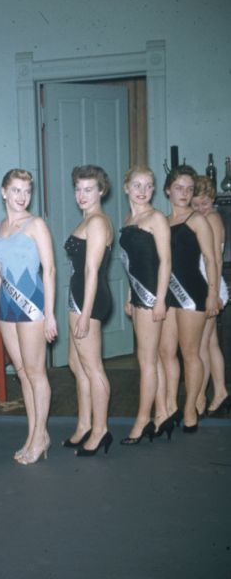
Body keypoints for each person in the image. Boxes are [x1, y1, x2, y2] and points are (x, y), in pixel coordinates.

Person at [0, 169, 57, 464]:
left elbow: (50, 270)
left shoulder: (36, 224)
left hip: (32, 305)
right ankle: (34, 433)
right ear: (4, 192)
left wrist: (50, 314)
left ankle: (40, 436)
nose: (22, 197)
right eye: (16, 190)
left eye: (27, 191)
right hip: (7, 307)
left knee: (35, 372)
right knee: (21, 373)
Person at [159, 165, 219, 432]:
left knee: (190, 353)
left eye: (189, 189)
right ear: (168, 190)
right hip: (167, 293)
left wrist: (213, 294)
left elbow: (211, 259)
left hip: (192, 293)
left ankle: (190, 408)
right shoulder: (161, 220)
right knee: (165, 352)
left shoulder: (198, 220)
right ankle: (171, 405)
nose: (184, 193)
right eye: (179, 188)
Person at [119, 166, 172, 444]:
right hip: (139, 295)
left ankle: (142, 421)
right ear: (126, 187)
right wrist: (130, 295)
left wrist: (160, 299)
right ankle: (162, 413)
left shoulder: (157, 218)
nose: (142, 191)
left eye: (148, 186)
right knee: (152, 359)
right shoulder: (129, 218)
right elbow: (133, 264)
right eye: (137, 185)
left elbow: (165, 262)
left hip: (153, 296)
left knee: (146, 361)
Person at [63, 165, 114, 456]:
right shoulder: (87, 219)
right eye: (78, 189)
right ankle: (84, 424)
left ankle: (100, 430)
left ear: (101, 191)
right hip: (79, 298)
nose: (81, 195)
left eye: (88, 189)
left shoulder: (96, 222)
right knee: (76, 363)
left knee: (93, 368)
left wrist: (84, 313)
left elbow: (92, 271)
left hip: (89, 301)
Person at [191, 176, 230, 416]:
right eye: (195, 204)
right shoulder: (203, 218)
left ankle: (198, 400)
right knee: (211, 343)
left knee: (200, 345)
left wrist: (213, 294)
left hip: (210, 285)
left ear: (212, 200)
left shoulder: (213, 219)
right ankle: (220, 392)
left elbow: (214, 259)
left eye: (204, 203)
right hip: (207, 284)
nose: (200, 209)